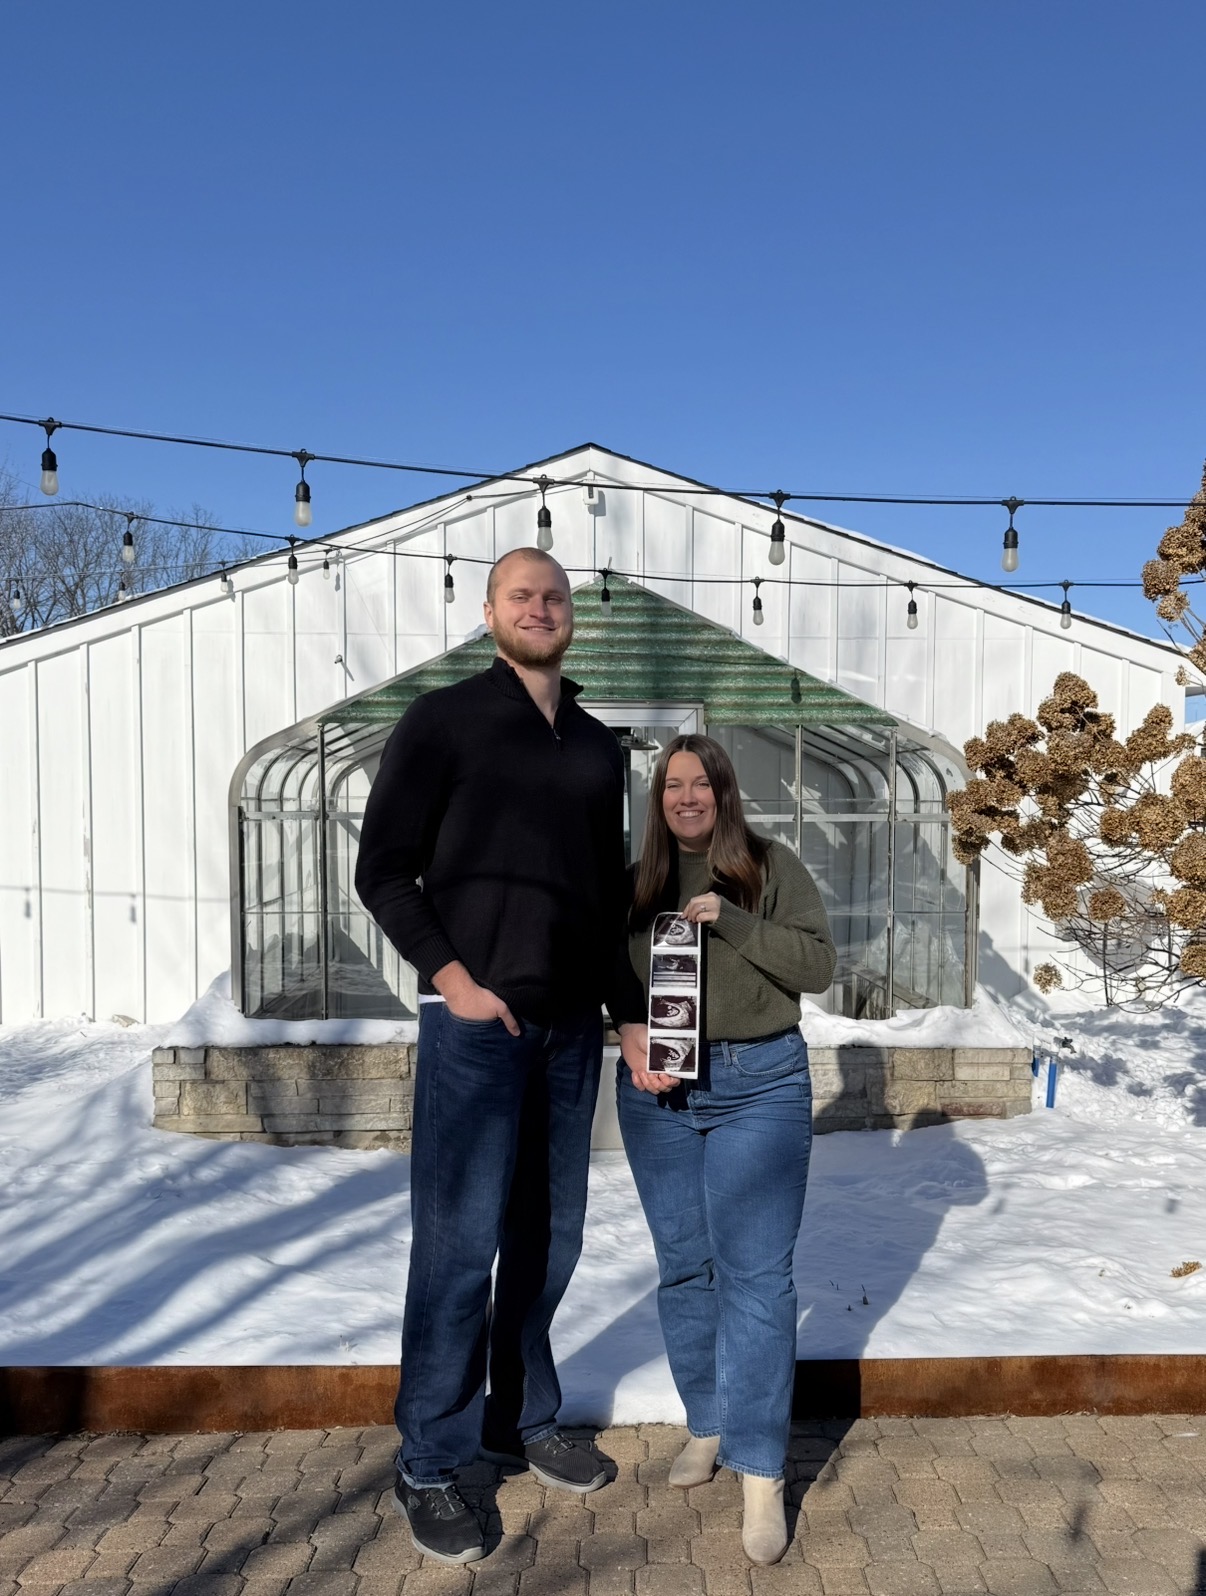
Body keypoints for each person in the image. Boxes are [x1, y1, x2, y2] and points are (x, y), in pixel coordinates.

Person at [355, 547, 641, 1566]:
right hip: (479, 1030)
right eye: (521, 594)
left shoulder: (601, 749)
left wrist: (631, 1012)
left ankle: (521, 1417)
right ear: (489, 613)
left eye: (555, 595)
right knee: (457, 1243)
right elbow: (383, 869)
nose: (541, 607)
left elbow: (606, 902)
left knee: (549, 1240)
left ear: (572, 617)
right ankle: (431, 1460)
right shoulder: (443, 722)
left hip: (570, 1035)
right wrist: (451, 979)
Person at [612, 734, 836, 1566]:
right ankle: (707, 1424)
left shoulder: (771, 867)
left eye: (701, 783)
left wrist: (734, 921)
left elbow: (817, 966)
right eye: (673, 785)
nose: (687, 797)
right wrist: (627, 1029)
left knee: (756, 1281)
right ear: (658, 797)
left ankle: (760, 1471)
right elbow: (610, 968)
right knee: (685, 1267)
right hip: (661, 1094)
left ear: (725, 792)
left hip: (759, 1087)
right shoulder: (640, 879)